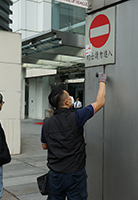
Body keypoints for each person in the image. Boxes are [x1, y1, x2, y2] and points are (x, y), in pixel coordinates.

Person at [41, 72, 107, 200]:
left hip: (55, 175)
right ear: (67, 102)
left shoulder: (47, 123)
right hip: (75, 174)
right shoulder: (77, 116)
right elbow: (100, 102)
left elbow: (44, 146)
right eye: (68, 96)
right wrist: (102, 81)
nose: (71, 97)